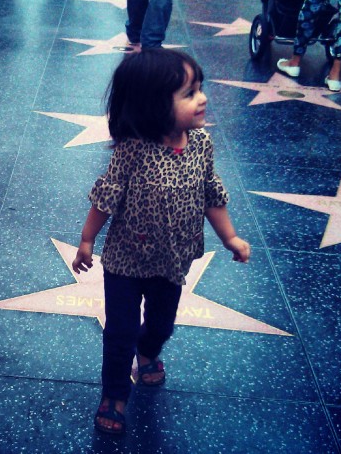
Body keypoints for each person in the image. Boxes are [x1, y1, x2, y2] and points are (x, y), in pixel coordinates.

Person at [71, 49, 250, 437]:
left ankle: (148, 353)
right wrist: (87, 239)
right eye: (189, 93)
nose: (202, 98)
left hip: (172, 261)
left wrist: (231, 237)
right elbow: (107, 197)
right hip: (125, 260)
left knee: (161, 324)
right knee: (120, 331)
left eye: (200, 89)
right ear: (152, 105)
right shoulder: (132, 149)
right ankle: (115, 395)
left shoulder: (201, 145)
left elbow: (211, 195)